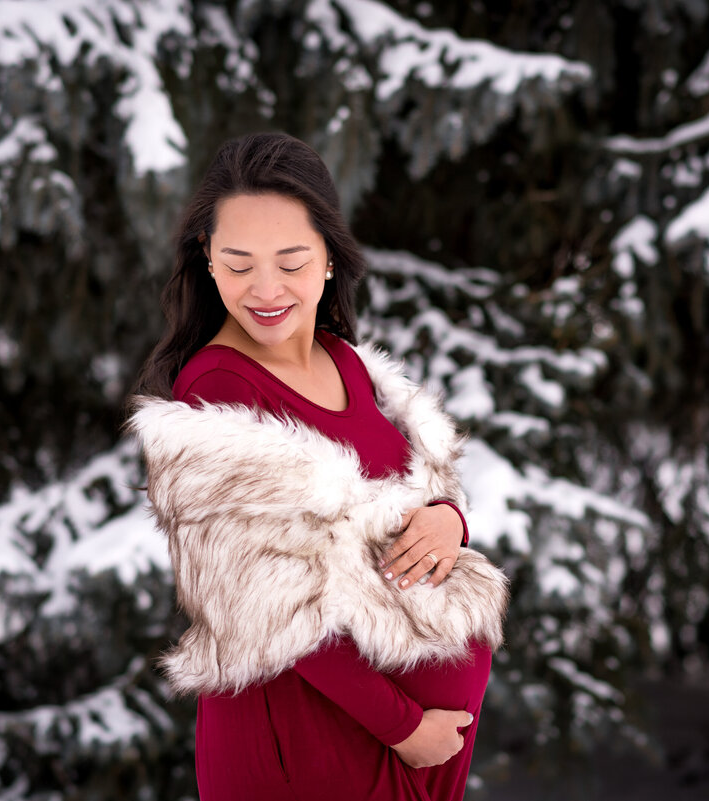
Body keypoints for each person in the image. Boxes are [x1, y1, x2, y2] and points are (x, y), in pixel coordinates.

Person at [129, 132, 509, 800]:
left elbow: (413, 490)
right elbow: (269, 604)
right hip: (308, 744)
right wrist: (402, 726)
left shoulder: (347, 363)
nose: (265, 288)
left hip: (392, 738)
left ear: (330, 258)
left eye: (291, 260)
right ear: (208, 259)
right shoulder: (219, 388)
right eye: (239, 262)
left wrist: (448, 520)